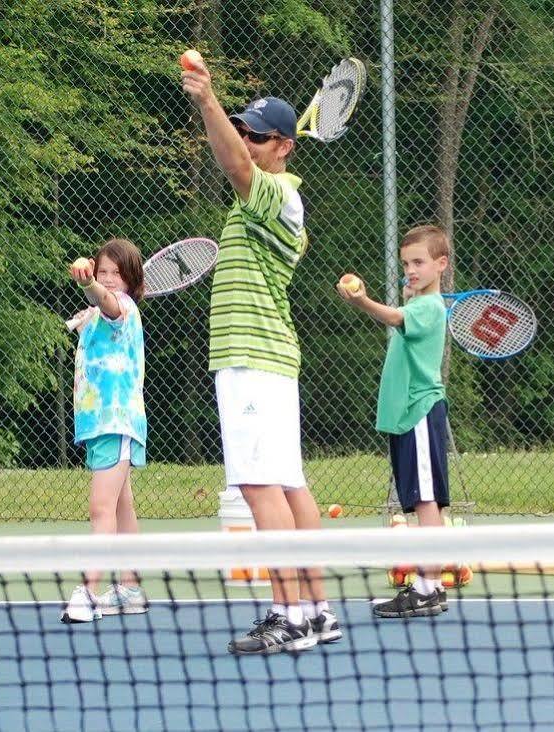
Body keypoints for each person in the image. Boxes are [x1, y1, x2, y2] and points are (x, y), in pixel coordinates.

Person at [179, 55, 336, 653]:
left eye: (257, 134)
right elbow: (241, 165)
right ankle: (317, 611)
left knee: (257, 486)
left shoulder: (278, 196)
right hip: (268, 362)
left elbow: (234, 165)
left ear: (284, 147)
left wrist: (207, 100)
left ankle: (289, 616)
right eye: (243, 129)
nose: (246, 140)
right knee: (290, 486)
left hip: (253, 359)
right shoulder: (267, 203)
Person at [336, 225, 455, 618]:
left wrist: (363, 301)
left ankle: (426, 587)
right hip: (409, 416)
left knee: (425, 502)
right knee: (422, 501)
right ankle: (431, 585)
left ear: (441, 264)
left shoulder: (428, 307)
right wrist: (407, 296)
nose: (411, 270)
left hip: (420, 412)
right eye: (406, 263)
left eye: (419, 262)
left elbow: (394, 318)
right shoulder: (423, 303)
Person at [60, 239, 152, 623]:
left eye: (118, 274)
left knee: (100, 509)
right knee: (120, 506)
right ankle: (129, 588)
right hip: (102, 426)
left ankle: (88, 591)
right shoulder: (97, 313)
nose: (110, 280)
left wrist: (89, 285)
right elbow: (100, 310)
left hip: (116, 423)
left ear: (130, 282)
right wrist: (89, 309)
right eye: (104, 273)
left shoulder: (123, 307)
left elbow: (110, 304)